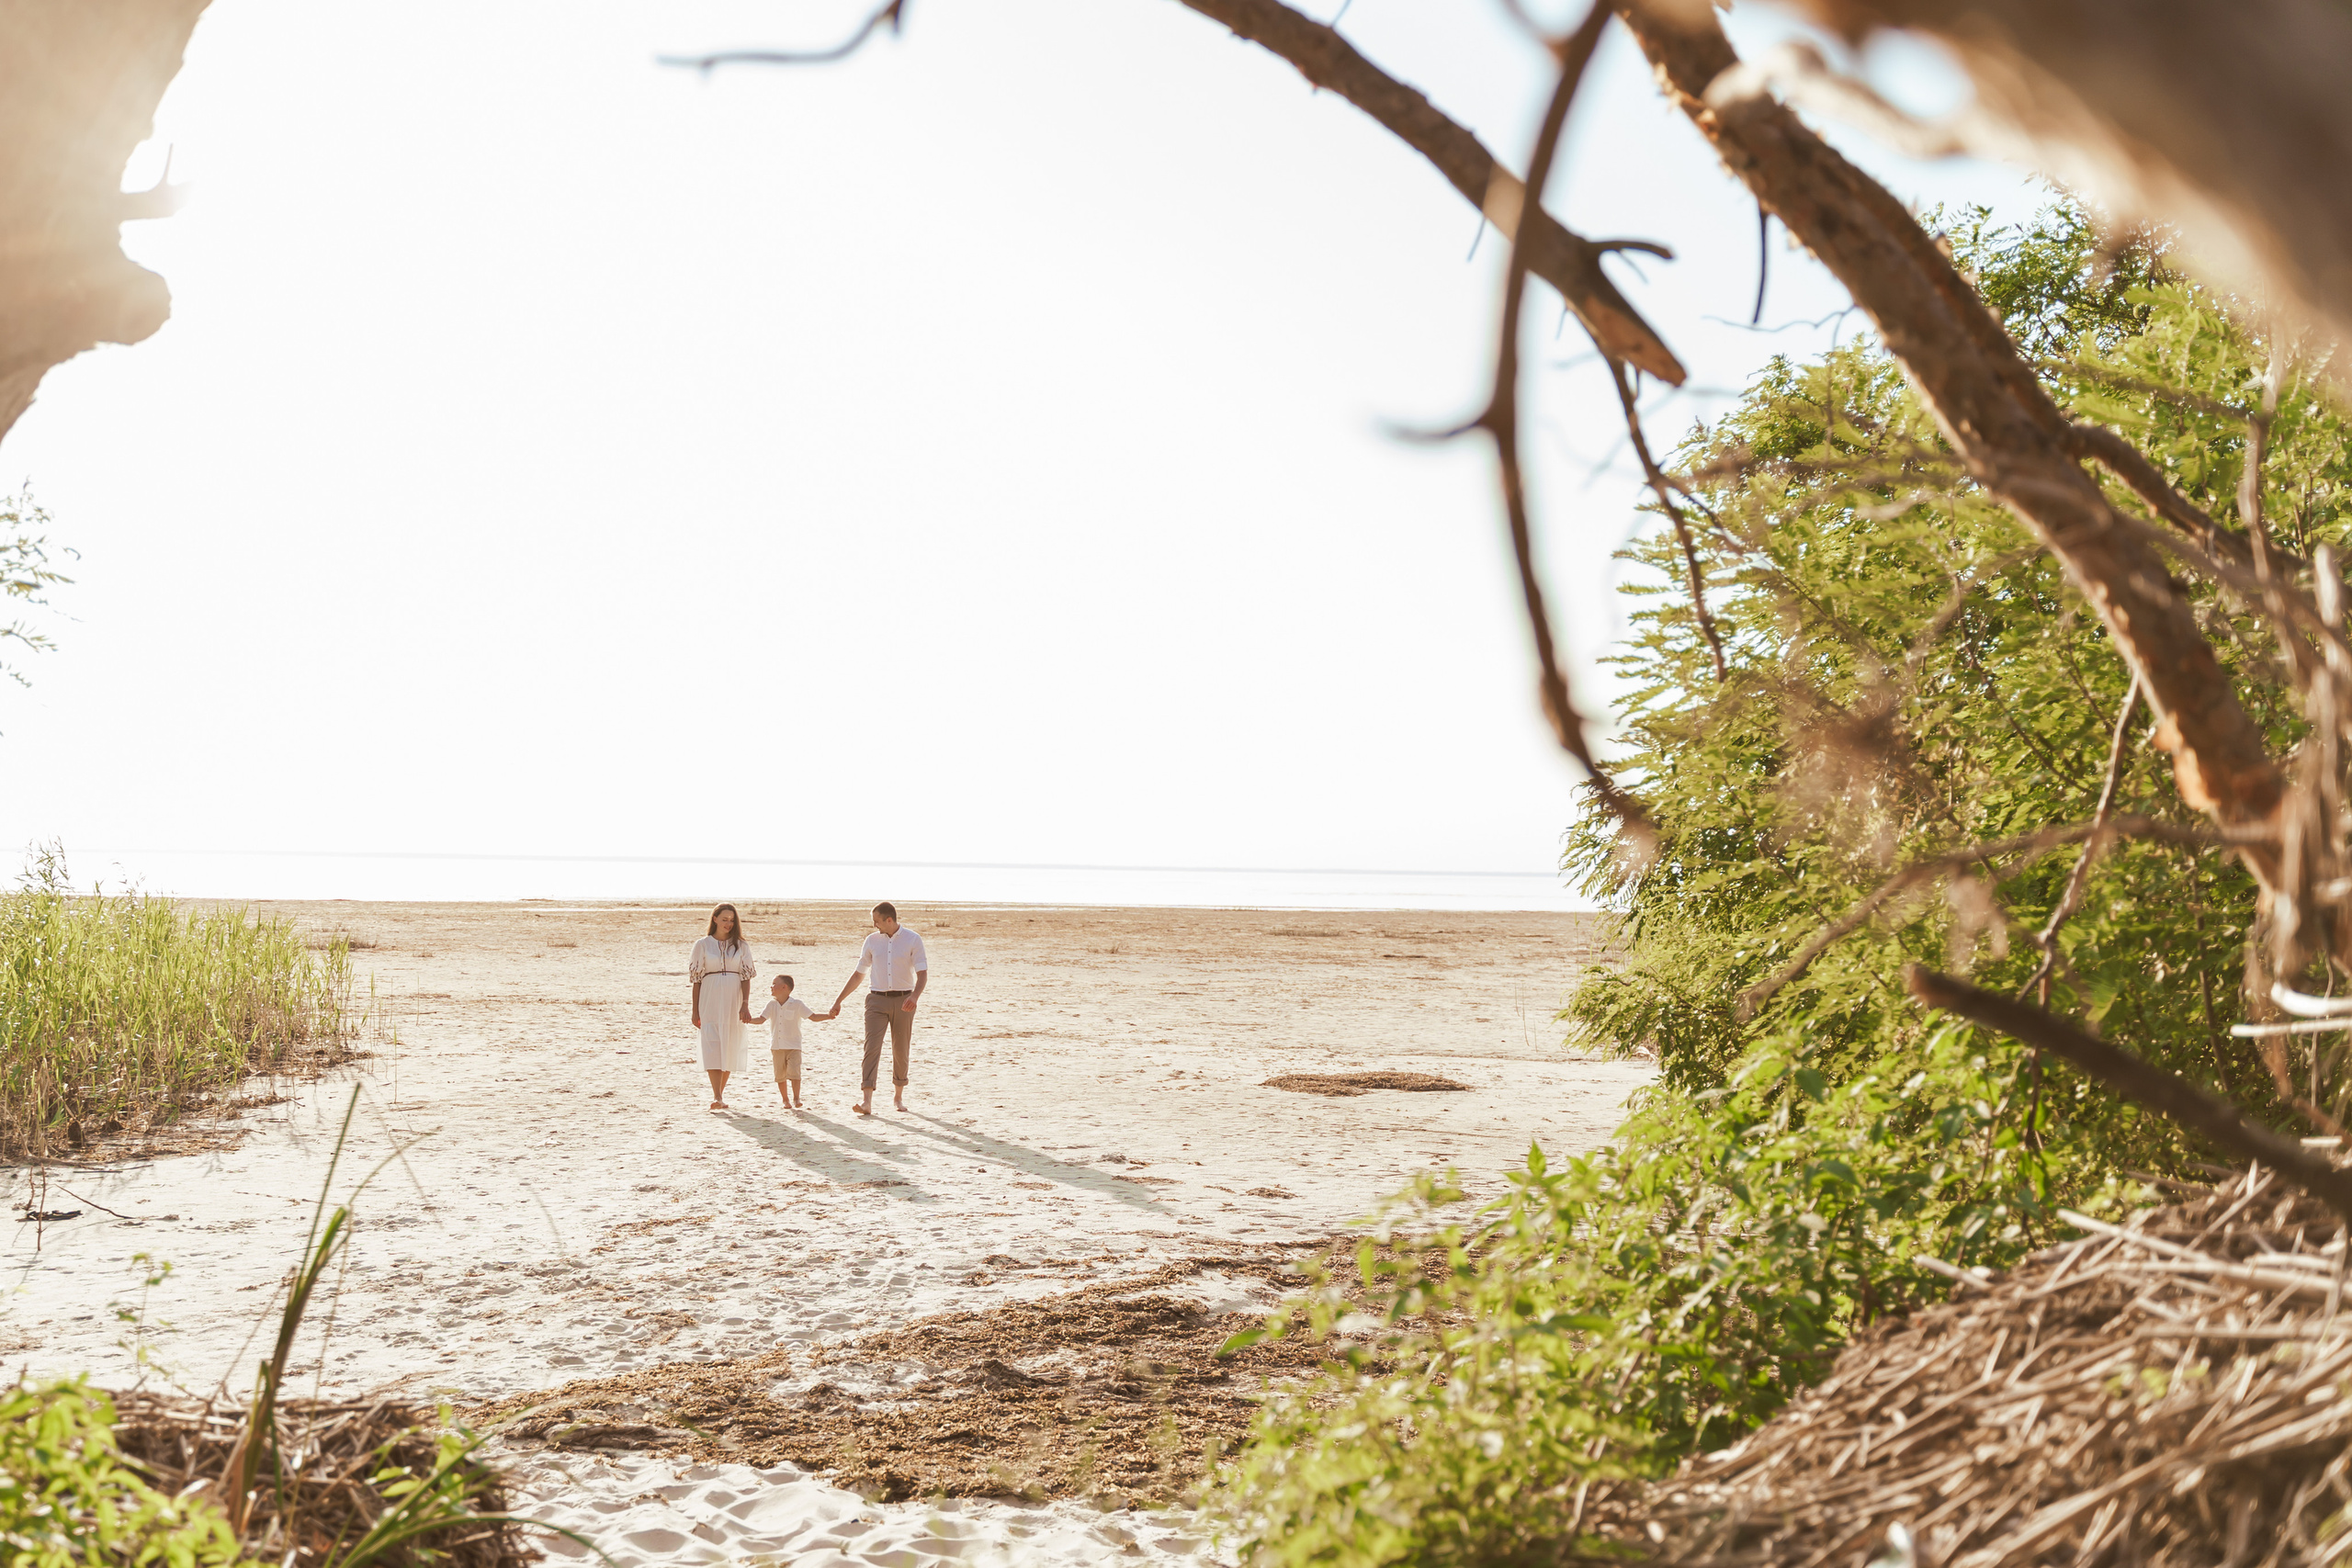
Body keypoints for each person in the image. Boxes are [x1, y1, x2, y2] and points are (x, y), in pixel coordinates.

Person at [830, 901, 928, 1116]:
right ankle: (866, 1101)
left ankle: (898, 1096)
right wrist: (839, 1000)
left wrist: (915, 996)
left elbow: (922, 974)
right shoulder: (871, 941)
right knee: (871, 1047)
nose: (875, 926)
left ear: (889, 920)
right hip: (876, 1000)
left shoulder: (913, 939)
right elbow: (858, 974)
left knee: (900, 1049)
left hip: (904, 1001)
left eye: (877, 922)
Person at [687, 903, 757, 1111]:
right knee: (712, 1043)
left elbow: (746, 977)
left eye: (732, 920)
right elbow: (697, 980)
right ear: (715, 919)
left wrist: (745, 1004)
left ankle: (720, 1095)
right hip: (709, 997)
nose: (729, 923)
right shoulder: (702, 945)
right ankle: (717, 1095)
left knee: (730, 1043)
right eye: (725, 919)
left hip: (733, 997)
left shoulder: (741, 946)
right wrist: (694, 1010)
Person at [743, 973, 836, 1110]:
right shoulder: (771, 1005)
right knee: (780, 1075)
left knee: (794, 1072)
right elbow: (761, 1020)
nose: (771, 986)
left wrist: (828, 1016)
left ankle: (796, 1098)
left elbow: (813, 1017)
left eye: (774, 984)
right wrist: (747, 1020)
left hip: (794, 1046)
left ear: (784, 987)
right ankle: (785, 1100)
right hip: (777, 1046)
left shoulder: (797, 1004)